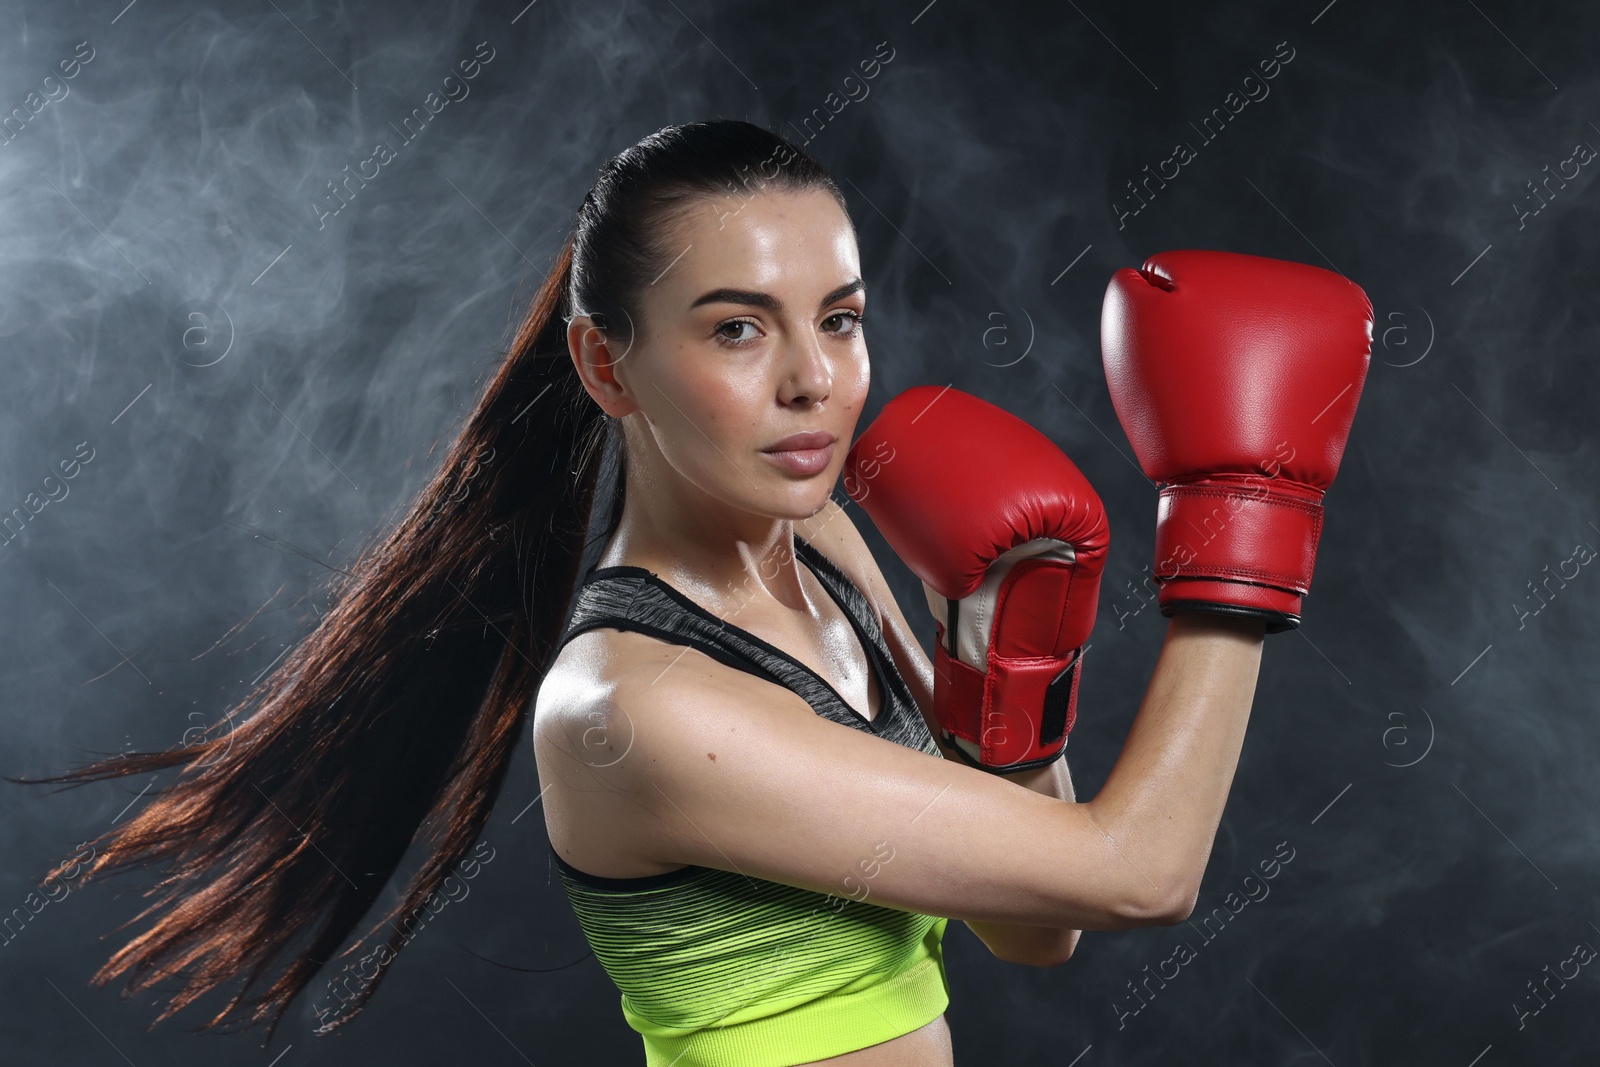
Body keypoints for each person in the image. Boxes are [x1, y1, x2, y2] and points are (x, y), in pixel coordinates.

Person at [8, 119, 1372, 1065]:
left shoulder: (828, 546)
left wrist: (1003, 659)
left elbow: (1037, 927)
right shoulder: (633, 707)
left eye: (837, 318)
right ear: (608, 368)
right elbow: (1141, 877)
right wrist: (1242, 520)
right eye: (737, 327)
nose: (812, 382)